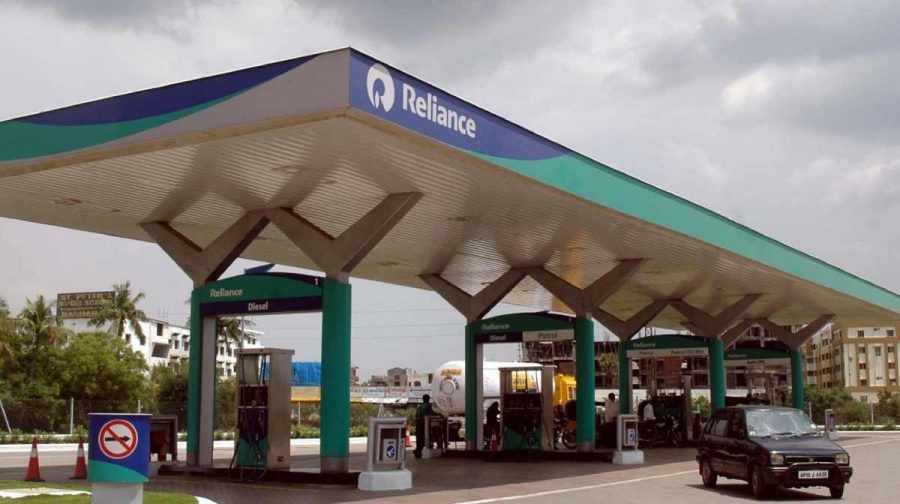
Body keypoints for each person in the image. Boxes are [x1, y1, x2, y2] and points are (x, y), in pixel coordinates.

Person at [414, 394, 433, 459]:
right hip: (424, 425)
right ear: (428, 399)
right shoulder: (428, 406)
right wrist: (440, 414)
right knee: (424, 439)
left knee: (419, 440)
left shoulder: (419, 406)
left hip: (418, 425)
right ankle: (423, 451)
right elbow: (431, 414)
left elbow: (416, 415)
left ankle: (417, 452)